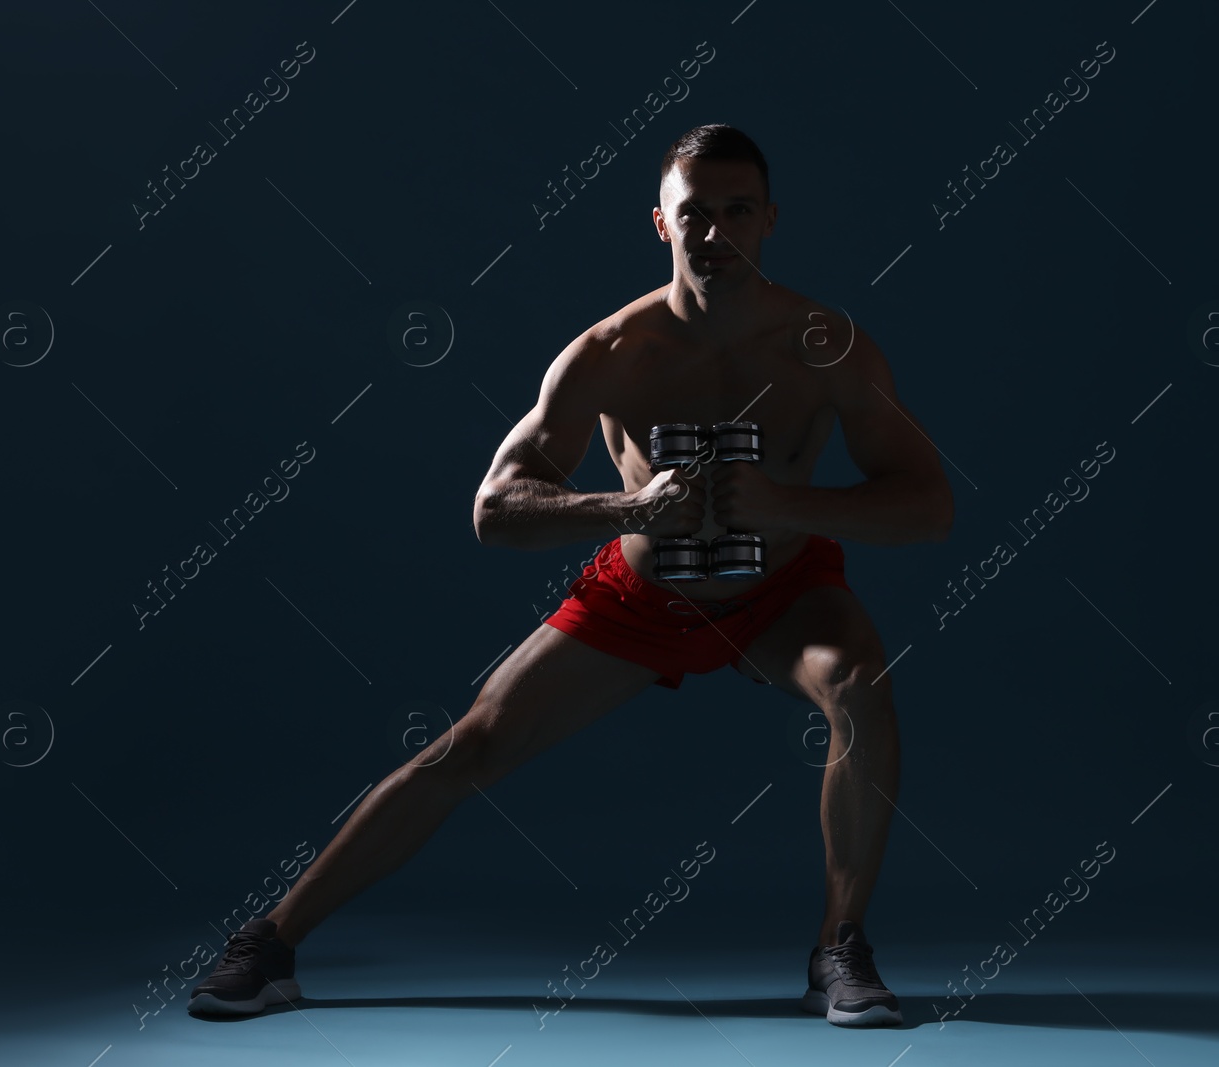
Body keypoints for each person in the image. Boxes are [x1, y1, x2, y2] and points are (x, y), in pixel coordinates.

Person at [188, 123, 954, 1028]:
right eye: (694, 214)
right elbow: (494, 510)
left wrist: (787, 504)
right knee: (467, 746)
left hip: (781, 592)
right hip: (643, 591)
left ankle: (840, 947)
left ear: (771, 219)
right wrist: (626, 511)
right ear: (661, 226)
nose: (716, 234)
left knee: (860, 686)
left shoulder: (826, 345)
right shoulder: (610, 353)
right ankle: (270, 944)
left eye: (737, 211)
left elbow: (927, 505)